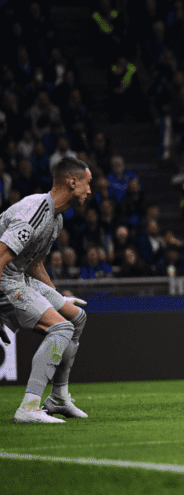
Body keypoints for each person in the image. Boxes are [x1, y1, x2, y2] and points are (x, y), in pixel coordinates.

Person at [0, 157, 91, 423]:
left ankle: (59, 398)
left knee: (76, 318)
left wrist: (56, 295)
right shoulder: (35, 211)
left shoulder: (56, 219)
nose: (89, 191)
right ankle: (28, 408)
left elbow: (35, 263)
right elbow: (2, 254)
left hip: (17, 276)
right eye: (87, 184)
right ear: (72, 182)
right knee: (61, 328)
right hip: (4, 278)